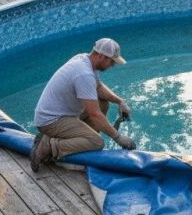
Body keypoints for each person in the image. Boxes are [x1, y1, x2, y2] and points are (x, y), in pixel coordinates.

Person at [29, 38, 135, 171]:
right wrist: (118, 137)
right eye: (112, 61)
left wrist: (120, 101)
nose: (113, 65)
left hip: (61, 115)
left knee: (103, 104)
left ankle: (77, 145)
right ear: (101, 56)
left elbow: (98, 87)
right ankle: (49, 146)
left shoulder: (84, 59)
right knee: (96, 142)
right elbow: (94, 114)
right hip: (51, 121)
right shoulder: (84, 74)